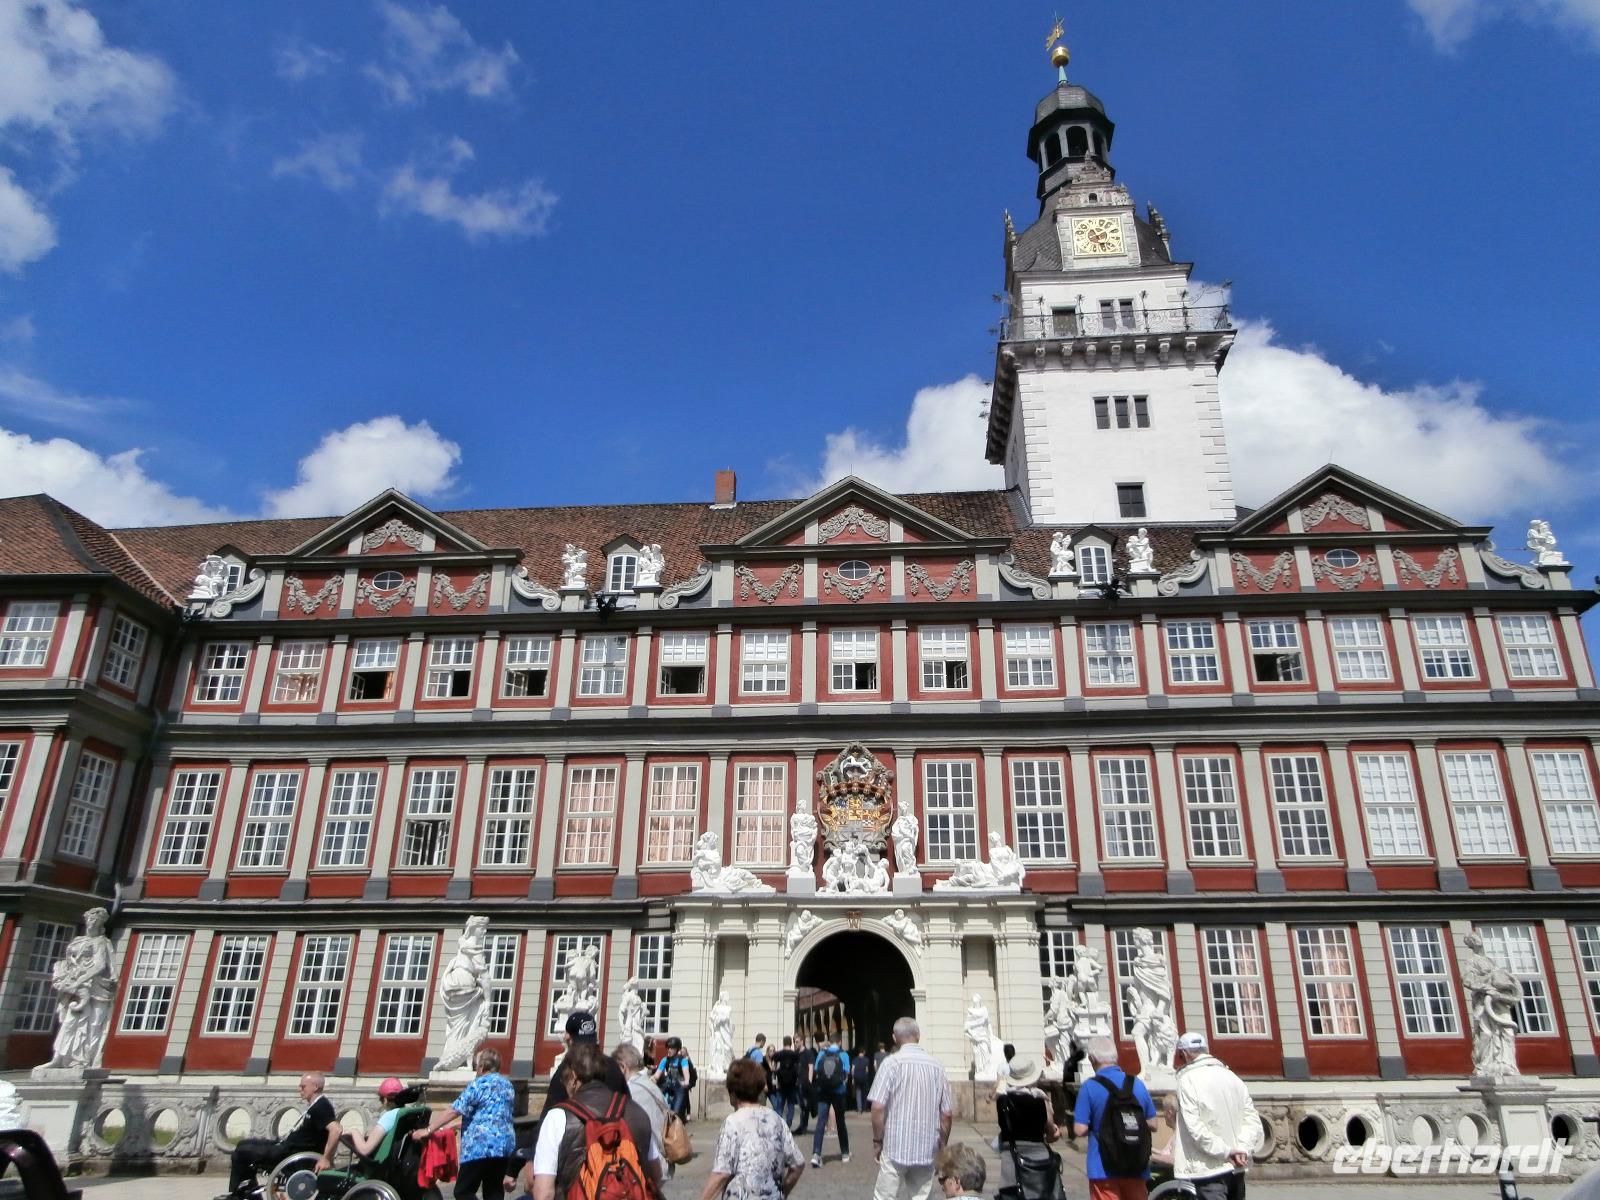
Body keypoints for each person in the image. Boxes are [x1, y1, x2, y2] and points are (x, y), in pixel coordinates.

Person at [524, 1042, 662, 1200]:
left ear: (574, 1077)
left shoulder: (558, 1117)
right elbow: (655, 1174)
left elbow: (544, 1192)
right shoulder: (637, 1112)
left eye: (564, 1079)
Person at [413, 1046, 516, 1200]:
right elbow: (493, 1116)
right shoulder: (507, 1085)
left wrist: (428, 1130)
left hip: (480, 1146)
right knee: (493, 1191)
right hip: (502, 1146)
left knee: (463, 1191)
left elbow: (454, 1110)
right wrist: (457, 1126)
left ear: (481, 1066)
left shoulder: (478, 1085)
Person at [867, 1017, 954, 1200]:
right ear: (919, 1036)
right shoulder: (936, 1067)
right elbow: (946, 1113)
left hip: (894, 1145)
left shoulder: (890, 1064)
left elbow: (877, 1107)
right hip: (927, 1146)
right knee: (922, 1196)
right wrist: (943, 1144)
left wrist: (877, 1140)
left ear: (894, 1038)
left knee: (884, 1197)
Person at [219, 1072, 341, 1200]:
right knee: (242, 1144)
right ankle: (246, 1192)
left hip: (289, 1154)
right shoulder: (316, 1105)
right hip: (286, 1147)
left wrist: (326, 1159)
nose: (299, 1089)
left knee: (241, 1153)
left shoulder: (321, 1106)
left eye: (303, 1086)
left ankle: (238, 1195)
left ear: (315, 1087)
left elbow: (336, 1130)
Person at [1172, 1032, 1263, 1200]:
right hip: (1237, 1165)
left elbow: (1195, 1128)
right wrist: (1242, 1148)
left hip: (1209, 1167)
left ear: (1184, 1054)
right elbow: (1252, 1121)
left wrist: (1226, 1151)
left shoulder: (1187, 1080)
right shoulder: (1233, 1077)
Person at [699, 1057, 805, 1200]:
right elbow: (798, 1164)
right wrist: (782, 1192)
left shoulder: (733, 1122)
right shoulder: (777, 1120)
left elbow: (722, 1173)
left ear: (732, 1093)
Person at [1072, 1037, 1156, 1200]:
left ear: (1092, 1059)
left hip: (1103, 1166)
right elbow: (1153, 1124)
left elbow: (1079, 1129)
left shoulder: (1089, 1086)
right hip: (1135, 1164)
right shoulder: (1137, 1084)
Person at [542, 1011, 627, 1117]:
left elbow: (549, 1115)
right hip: (612, 1130)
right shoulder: (613, 1067)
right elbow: (627, 1104)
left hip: (575, 1131)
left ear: (568, 1038)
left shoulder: (567, 1069)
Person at [615, 1042, 671, 1178]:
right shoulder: (651, 1085)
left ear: (623, 1067)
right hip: (663, 1159)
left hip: (648, 1163)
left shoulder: (631, 1091)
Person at [344, 1077, 415, 1157]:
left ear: (385, 1099)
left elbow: (365, 1150)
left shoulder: (389, 1116)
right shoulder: (407, 1112)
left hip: (381, 1165)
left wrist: (354, 1132)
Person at [809, 1035, 852, 1167]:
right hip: (838, 1092)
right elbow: (846, 1072)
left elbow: (816, 1070)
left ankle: (816, 1154)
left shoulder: (822, 1053)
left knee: (821, 1122)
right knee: (840, 1122)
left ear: (829, 1042)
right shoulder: (844, 1054)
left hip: (823, 1091)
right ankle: (845, 1153)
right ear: (839, 1042)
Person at [655, 1035, 697, 1119]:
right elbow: (657, 1075)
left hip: (679, 1086)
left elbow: (686, 1073)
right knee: (656, 1101)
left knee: (676, 1112)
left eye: (672, 1048)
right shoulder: (665, 1060)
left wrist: (686, 1081)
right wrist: (651, 1079)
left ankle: (677, 1119)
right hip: (668, 1084)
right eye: (668, 1048)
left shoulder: (683, 1060)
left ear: (677, 1049)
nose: (669, 1050)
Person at [770, 1036, 802, 1129]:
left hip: (781, 1083)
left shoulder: (778, 1054)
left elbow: (774, 1068)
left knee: (780, 1104)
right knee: (791, 1104)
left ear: (783, 1043)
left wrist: (774, 1076)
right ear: (791, 1043)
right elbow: (798, 1068)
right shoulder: (795, 1055)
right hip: (792, 1083)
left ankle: (779, 1123)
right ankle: (788, 1123)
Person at [851, 1045, 873, 1113]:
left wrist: (853, 1078)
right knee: (864, 1093)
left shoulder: (855, 1059)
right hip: (864, 1077)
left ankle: (859, 1108)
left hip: (856, 1077)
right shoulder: (866, 1059)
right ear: (863, 1052)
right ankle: (864, 1107)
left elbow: (852, 1069)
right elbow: (866, 1070)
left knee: (858, 1092)